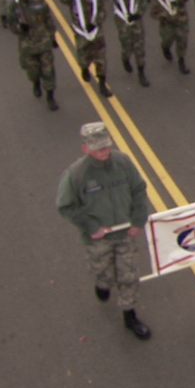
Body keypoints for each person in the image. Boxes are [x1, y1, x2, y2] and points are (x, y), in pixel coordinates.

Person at [57, 122, 152, 341]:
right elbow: (65, 206)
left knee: (128, 275)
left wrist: (138, 219)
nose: (104, 152)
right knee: (104, 274)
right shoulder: (76, 174)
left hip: (124, 234)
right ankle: (102, 285)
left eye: (106, 146)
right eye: (99, 148)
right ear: (85, 148)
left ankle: (130, 316)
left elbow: (138, 189)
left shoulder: (123, 162)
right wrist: (91, 227)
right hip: (98, 239)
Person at [7, 0, 59, 110]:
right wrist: (19, 28)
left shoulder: (39, 0)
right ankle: (36, 82)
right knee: (33, 71)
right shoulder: (14, 5)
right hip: (27, 45)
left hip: (43, 42)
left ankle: (50, 96)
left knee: (48, 71)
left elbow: (48, 19)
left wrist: (53, 36)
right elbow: (11, 26)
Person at [59, 0, 112, 97]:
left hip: (95, 31)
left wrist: (95, 23)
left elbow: (102, 11)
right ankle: (84, 68)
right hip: (81, 32)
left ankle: (102, 83)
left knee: (101, 59)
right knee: (83, 57)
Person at [104, 0, 149, 87]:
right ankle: (125, 58)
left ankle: (141, 72)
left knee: (139, 46)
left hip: (135, 19)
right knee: (127, 45)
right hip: (122, 20)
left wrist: (139, 13)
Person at [145, 0, 192, 75]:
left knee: (182, 37)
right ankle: (165, 47)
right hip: (164, 12)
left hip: (179, 10)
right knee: (167, 38)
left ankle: (182, 60)